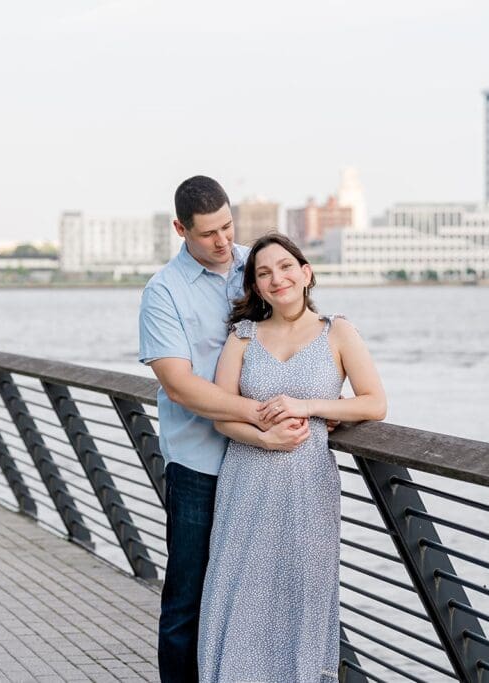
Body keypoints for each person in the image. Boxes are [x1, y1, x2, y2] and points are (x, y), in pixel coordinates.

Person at [139, 176, 311, 682]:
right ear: (180, 229)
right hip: (201, 466)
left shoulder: (257, 267)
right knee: (188, 599)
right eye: (208, 233)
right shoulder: (163, 293)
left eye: (228, 226)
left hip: (264, 465)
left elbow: (298, 328)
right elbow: (179, 386)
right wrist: (259, 417)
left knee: (260, 595)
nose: (222, 242)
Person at [197, 233, 387, 682]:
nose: (275, 278)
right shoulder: (243, 336)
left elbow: (374, 403)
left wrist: (310, 406)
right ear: (257, 288)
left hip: (307, 490)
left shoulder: (337, 332)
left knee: (301, 600)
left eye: (284, 267)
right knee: (237, 597)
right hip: (246, 483)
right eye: (263, 273)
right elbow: (221, 416)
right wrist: (263, 438)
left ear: (305, 273)